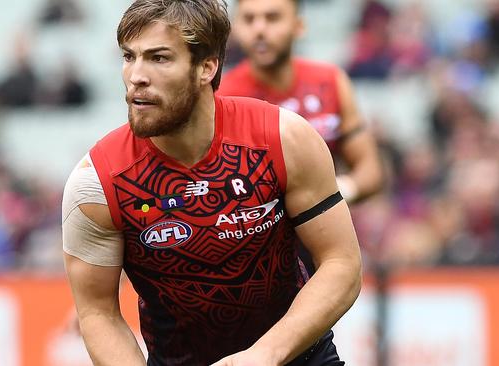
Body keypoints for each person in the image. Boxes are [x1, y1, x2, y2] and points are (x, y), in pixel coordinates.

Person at [62, 0, 361, 365]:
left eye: (159, 58)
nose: (136, 75)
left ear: (207, 67)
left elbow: (341, 263)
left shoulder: (284, 139)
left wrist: (262, 357)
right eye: (129, 56)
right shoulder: (97, 181)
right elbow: (97, 315)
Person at [218, 0, 383, 204]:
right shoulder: (222, 98)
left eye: (273, 18)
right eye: (249, 19)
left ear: (299, 26)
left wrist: (335, 194)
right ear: (236, 28)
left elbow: (371, 170)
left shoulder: (330, 81)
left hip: (327, 228)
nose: (259, 29)